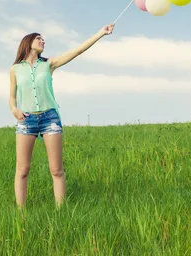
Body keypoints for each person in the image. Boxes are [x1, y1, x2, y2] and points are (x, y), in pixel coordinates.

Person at [9, 23, 115, 208]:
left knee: (56, 170)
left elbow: (77, 51)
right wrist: (15, 110)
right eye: (38, 38)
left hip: (49, 118)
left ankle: (61, 212)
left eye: (43, 39)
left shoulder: (49, 64)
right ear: (27, 42)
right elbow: (11, 97)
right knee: (22, 169)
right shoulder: (15, 69)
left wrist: (101, 33)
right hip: (26, 121)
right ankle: (20, 214)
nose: (43, 41)